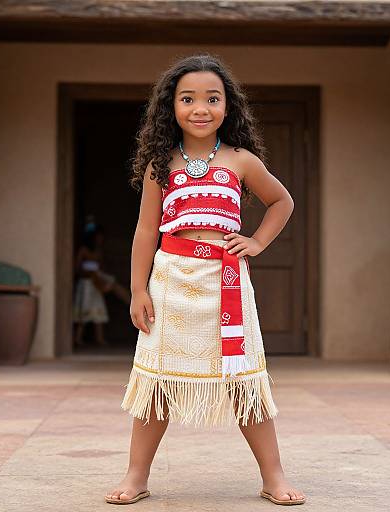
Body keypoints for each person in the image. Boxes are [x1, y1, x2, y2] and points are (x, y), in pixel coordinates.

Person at [105, 54, 305, 506]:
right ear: (170, 107)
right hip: (171, 281)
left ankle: (273, 476)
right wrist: (138, 289)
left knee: (244, 381)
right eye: (188, 98)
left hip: (226, 284)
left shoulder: (241, 160)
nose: (201, 108)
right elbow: (144, 230)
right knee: (156, 381)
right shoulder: (162, 163)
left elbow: (282, 202)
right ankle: (136, 475)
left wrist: (256, 242)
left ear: (228, 107)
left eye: (212, 99)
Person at [73, 218, 130, 347]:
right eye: (98, 237)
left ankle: (100, 338)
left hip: (98, 282)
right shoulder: (83, 250)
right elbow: (77, 269)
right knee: (84, 310)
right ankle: (78, 338)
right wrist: (90, 274)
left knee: (98, 310)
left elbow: (101, 268)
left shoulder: (98, 251)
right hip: (87, 284)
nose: (100, 239)